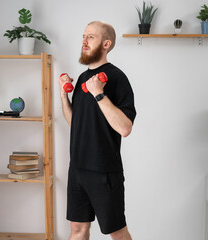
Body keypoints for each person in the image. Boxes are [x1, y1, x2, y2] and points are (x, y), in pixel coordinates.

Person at [58, 21, 136, 240]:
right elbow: (76, 124)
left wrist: (99, 94)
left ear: (106, 43)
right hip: (78, 169)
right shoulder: (83, 78)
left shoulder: (116, 78)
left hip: (103, 171)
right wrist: (64, 96)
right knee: (77, 230)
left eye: (90, 37)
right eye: (83, 36)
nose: (83, 41)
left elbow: (125, 128)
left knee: (117, 232)